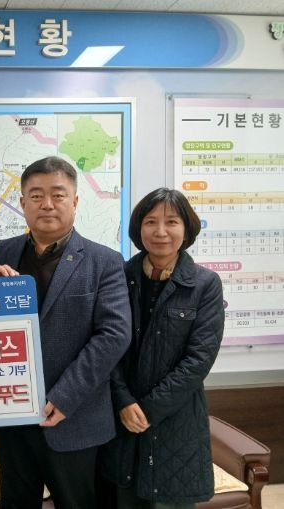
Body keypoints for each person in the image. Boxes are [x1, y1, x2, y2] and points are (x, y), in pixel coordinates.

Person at [0, 156, 132, 509]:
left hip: (74, 417)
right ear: (22, 203)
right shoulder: (3, 252)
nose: (47, 204)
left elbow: (114, 335)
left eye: (58, 195)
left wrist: (64, 397)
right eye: (36, 195)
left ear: (75, 201)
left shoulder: (104, 261)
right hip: (13, 415)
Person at [99, 188, 225, 509]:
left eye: (171, 222)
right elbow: (104, 344)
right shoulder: (119, 276)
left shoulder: (205, 284)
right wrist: (124, 401)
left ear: (187, 228)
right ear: (138, 228)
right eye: (151, 222)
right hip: (120, 418)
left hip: (176, 421)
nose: (160, 231)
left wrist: (149, 409)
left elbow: (199, 359)